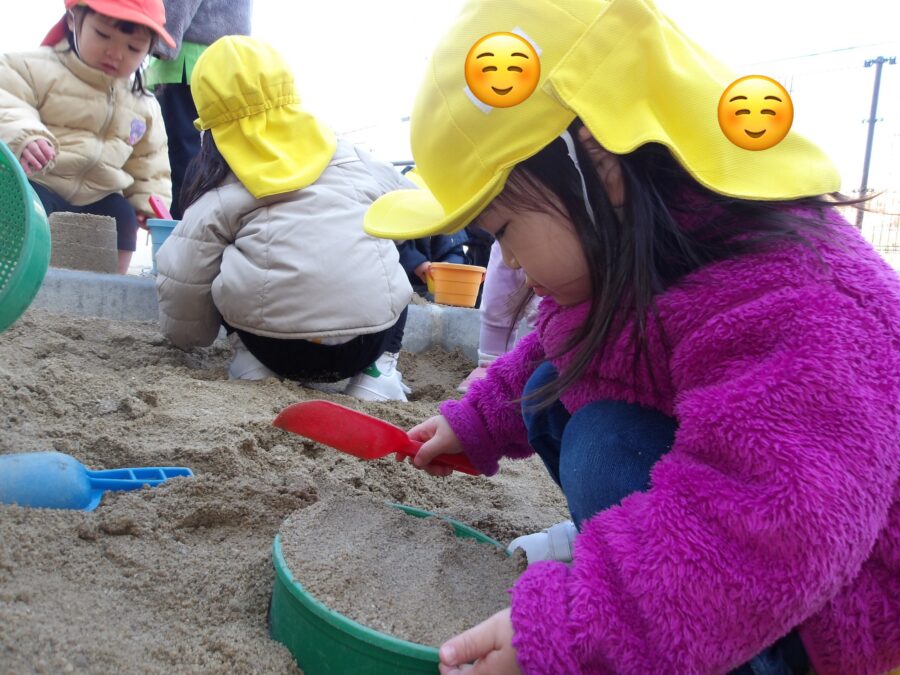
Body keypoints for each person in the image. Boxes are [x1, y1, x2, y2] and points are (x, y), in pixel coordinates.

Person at [362, 0, 900, 673]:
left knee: (603, 440)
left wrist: (583, 625)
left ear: (599, 159)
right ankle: (627, 552)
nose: (511, 261)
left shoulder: (795, 298)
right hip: (777, 535)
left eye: (503, 230)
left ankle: (671, 609)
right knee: (549, 390)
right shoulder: (649, 239)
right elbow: (569, 340)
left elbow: (774, 526)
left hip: (825, 604)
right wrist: (475, 421)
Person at [155, 36, 413, 401]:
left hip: (274, 348)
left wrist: (186, 336)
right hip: (367, 342)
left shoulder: (222, 187)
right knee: (386, 254)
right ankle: (379, 373)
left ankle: (250, 363)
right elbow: (412, 208)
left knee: (219, 258)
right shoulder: (351, 159)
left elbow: (183, 279)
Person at [0, 0, 173, 274]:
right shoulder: (33, 67)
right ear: (73, 20)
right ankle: (15, 272)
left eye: (133, 48)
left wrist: (149, 203)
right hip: (41, 180)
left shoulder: (143, 104)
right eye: (103, 35)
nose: (115, 53)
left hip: (98, 192)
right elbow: (7, 102)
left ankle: (111, 286)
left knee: (122, 215)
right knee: (24, 207)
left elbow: (150, 161)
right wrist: (26, 136)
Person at [145, 0, 252, 219]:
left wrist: (156, 40)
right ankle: (198, 224)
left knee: (177, 158)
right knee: (212, 159)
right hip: (227, 63)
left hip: (186, 62)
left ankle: (181, 226)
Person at [457, 239, 540, 393]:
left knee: (544, 309)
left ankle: (548, 363)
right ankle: (490, 362)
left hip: (558, 239)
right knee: (498, 298)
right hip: (509, 237)